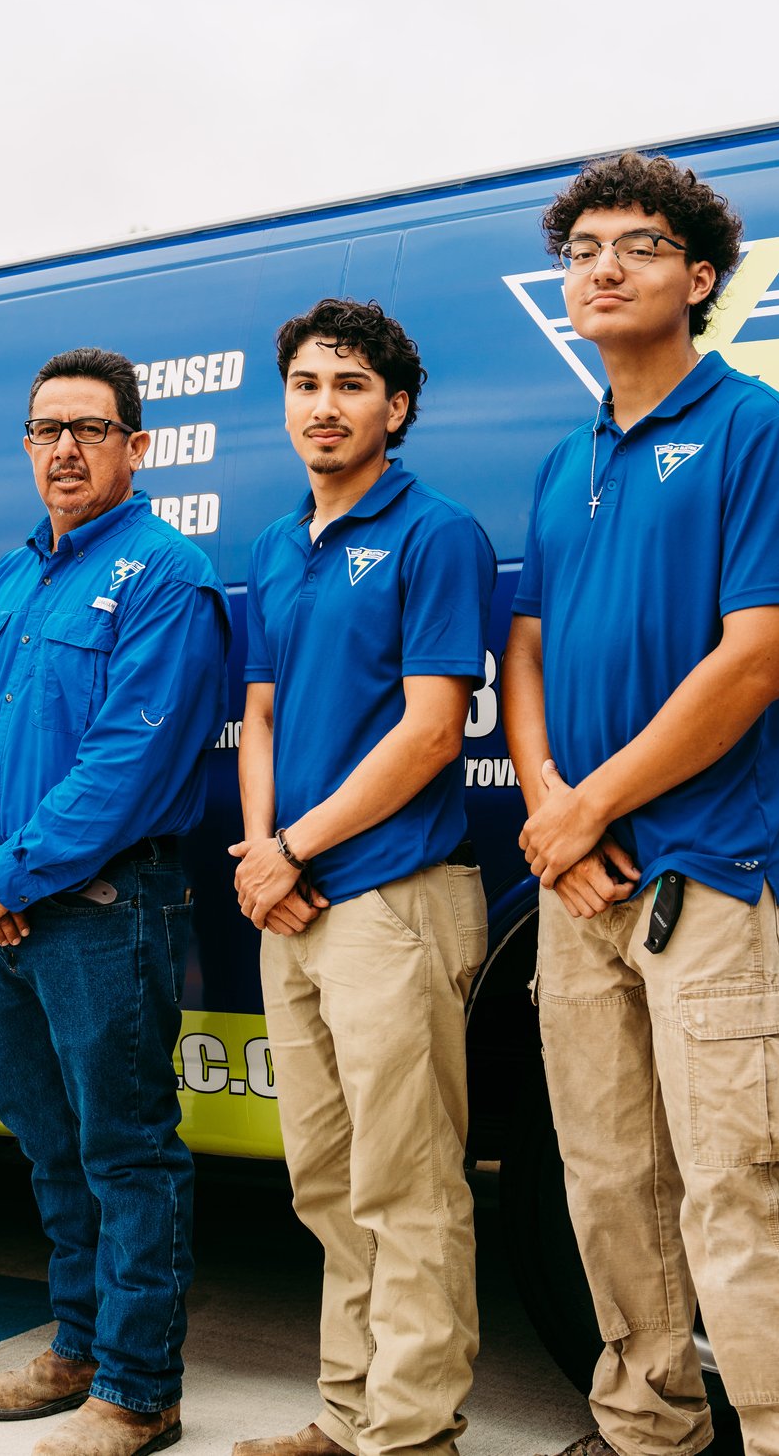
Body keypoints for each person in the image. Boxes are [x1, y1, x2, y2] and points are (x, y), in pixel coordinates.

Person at [506, 153, 779, 1456]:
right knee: (608, 1181)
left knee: (743, 1185)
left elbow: (755, 660)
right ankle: (645, 1426)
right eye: (583, 249)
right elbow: (525, 648)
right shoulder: (567, 457)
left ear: (699, 278)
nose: (603, 267)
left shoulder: (756, 429)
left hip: (705, 874)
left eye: (639, 245)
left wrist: (588, 804)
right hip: (577, 882)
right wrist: (552, 810)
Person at [0, 347, 229, 1456]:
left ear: (135, 445)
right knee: (47, 1142)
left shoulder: (165, 573)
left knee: (126, 1150)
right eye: (46, 429)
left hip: (104, 907)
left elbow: (128, 761)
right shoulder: (9, 579)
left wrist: (4, 875)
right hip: (4, 915)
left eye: (90, 429)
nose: (65, 448)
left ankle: (141, 1390)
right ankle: (78, 1345)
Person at [229, 300, 496, 1456]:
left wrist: (295, 846)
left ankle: (414, 1428)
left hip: (392, 896)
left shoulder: (435, 533)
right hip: (288, 901)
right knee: (325, 1179)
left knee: (408, 1178)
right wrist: (261, 852)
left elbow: (432, 729)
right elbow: (259, 714)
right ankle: (349, 1410)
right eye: (305, 383)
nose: (323, 405)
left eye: (349, 384)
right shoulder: (275, 545)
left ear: (396, 405)